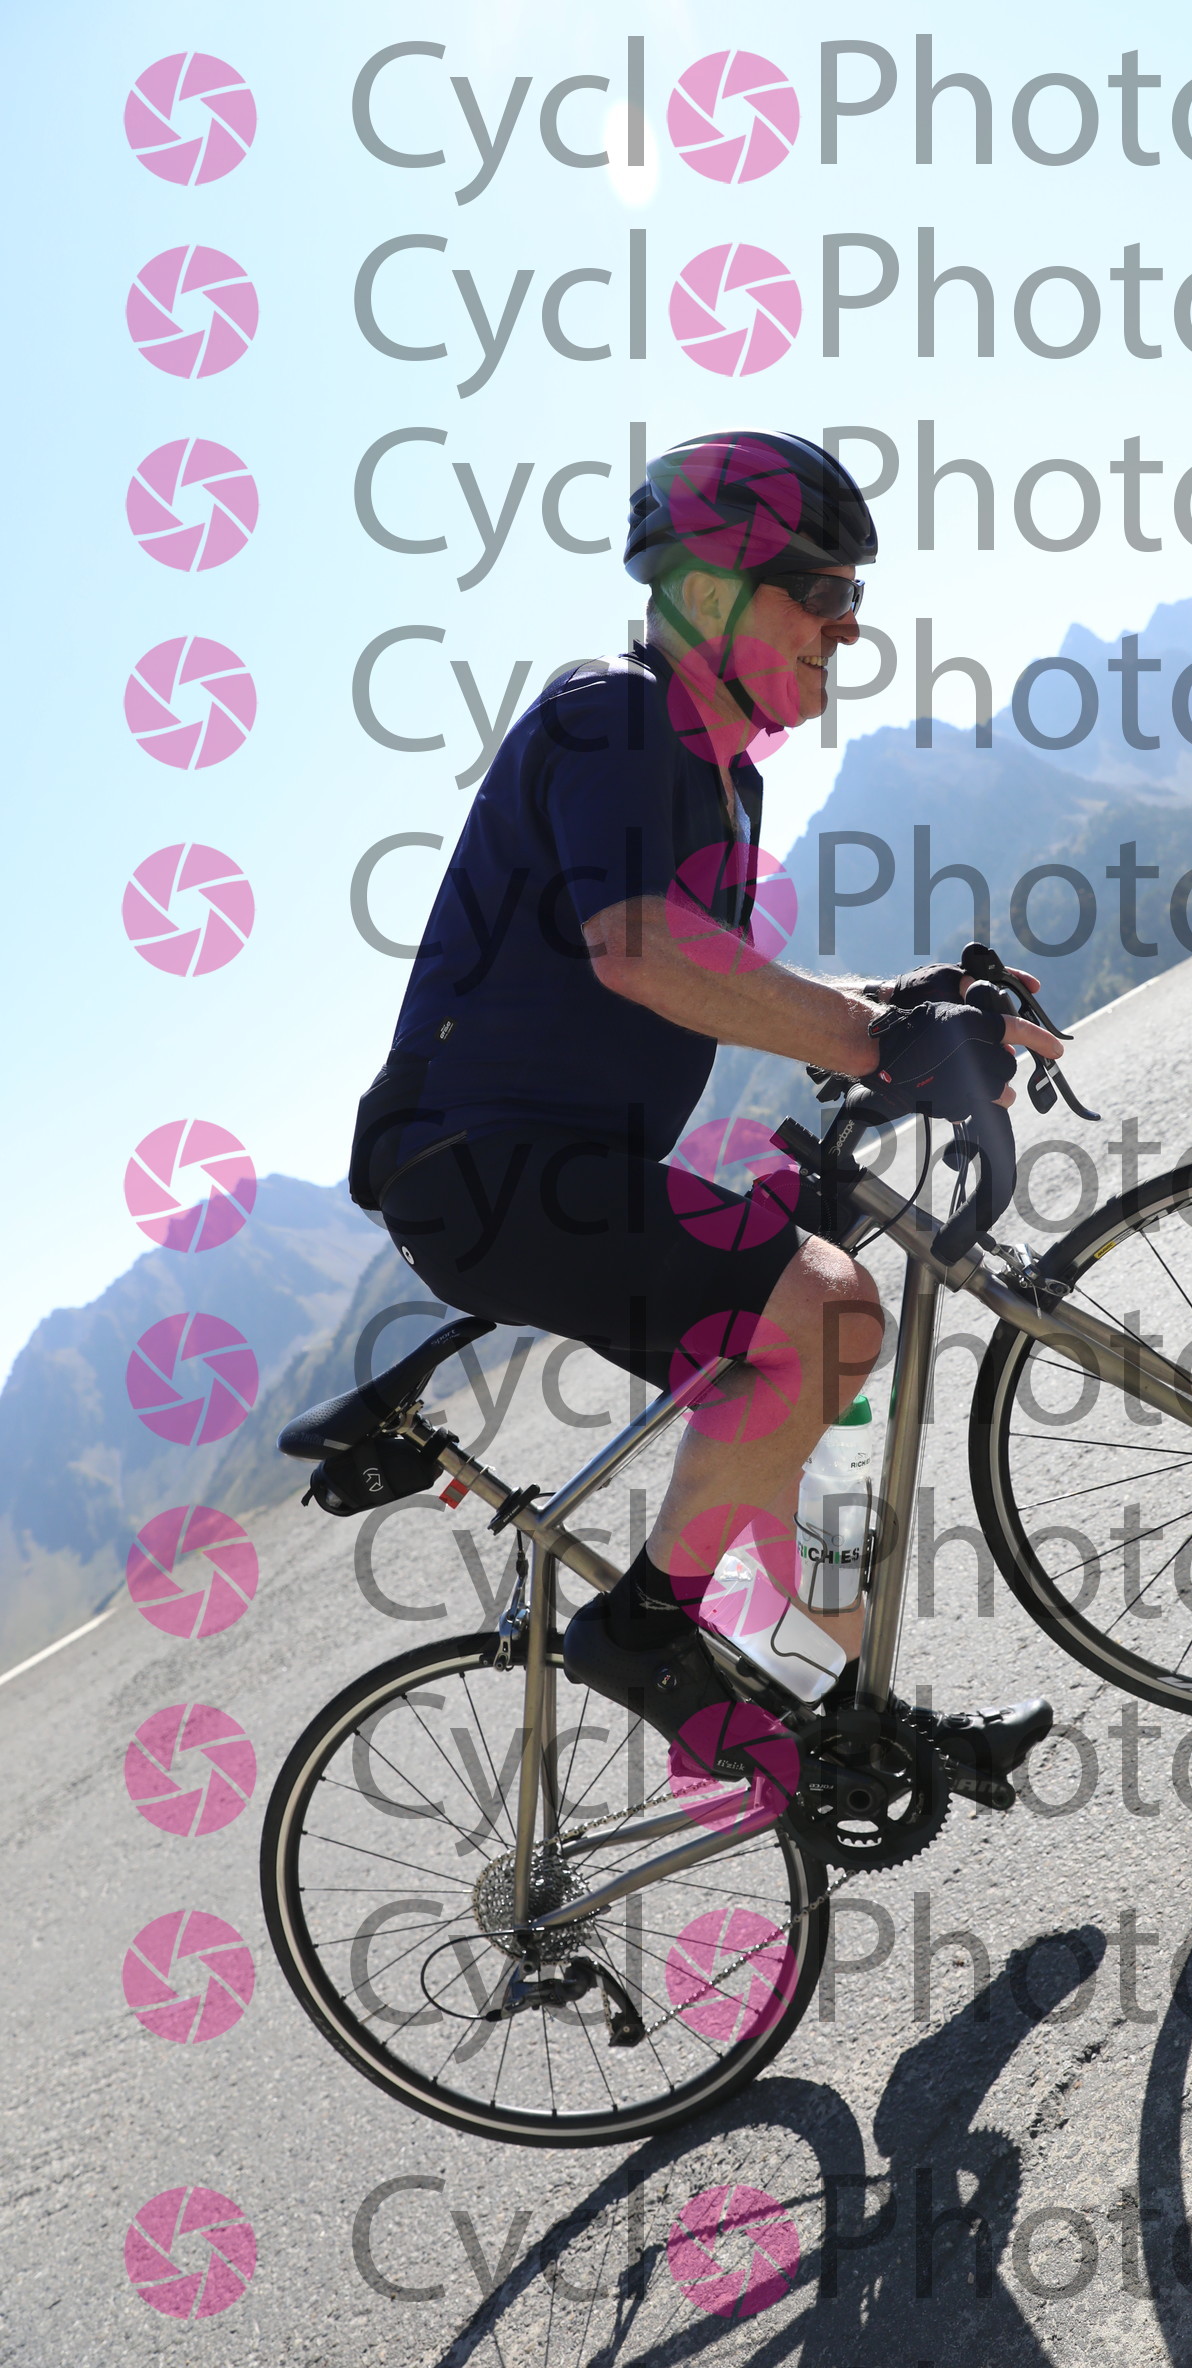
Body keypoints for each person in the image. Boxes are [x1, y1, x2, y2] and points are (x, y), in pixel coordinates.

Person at [352, 430, 1057, 1807]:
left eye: (854, 597)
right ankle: (646, 1636)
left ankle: (842, 1713)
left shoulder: (721, 775)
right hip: (479, 1167)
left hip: (557, 1166)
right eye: (822, 592)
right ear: (716, 590)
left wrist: (904, 999)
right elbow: (642, 950)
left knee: (815, 1380)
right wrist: (875, 1039)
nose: (848, 628)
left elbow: (716, 971)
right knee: (826, 1307)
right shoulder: (616, 717)